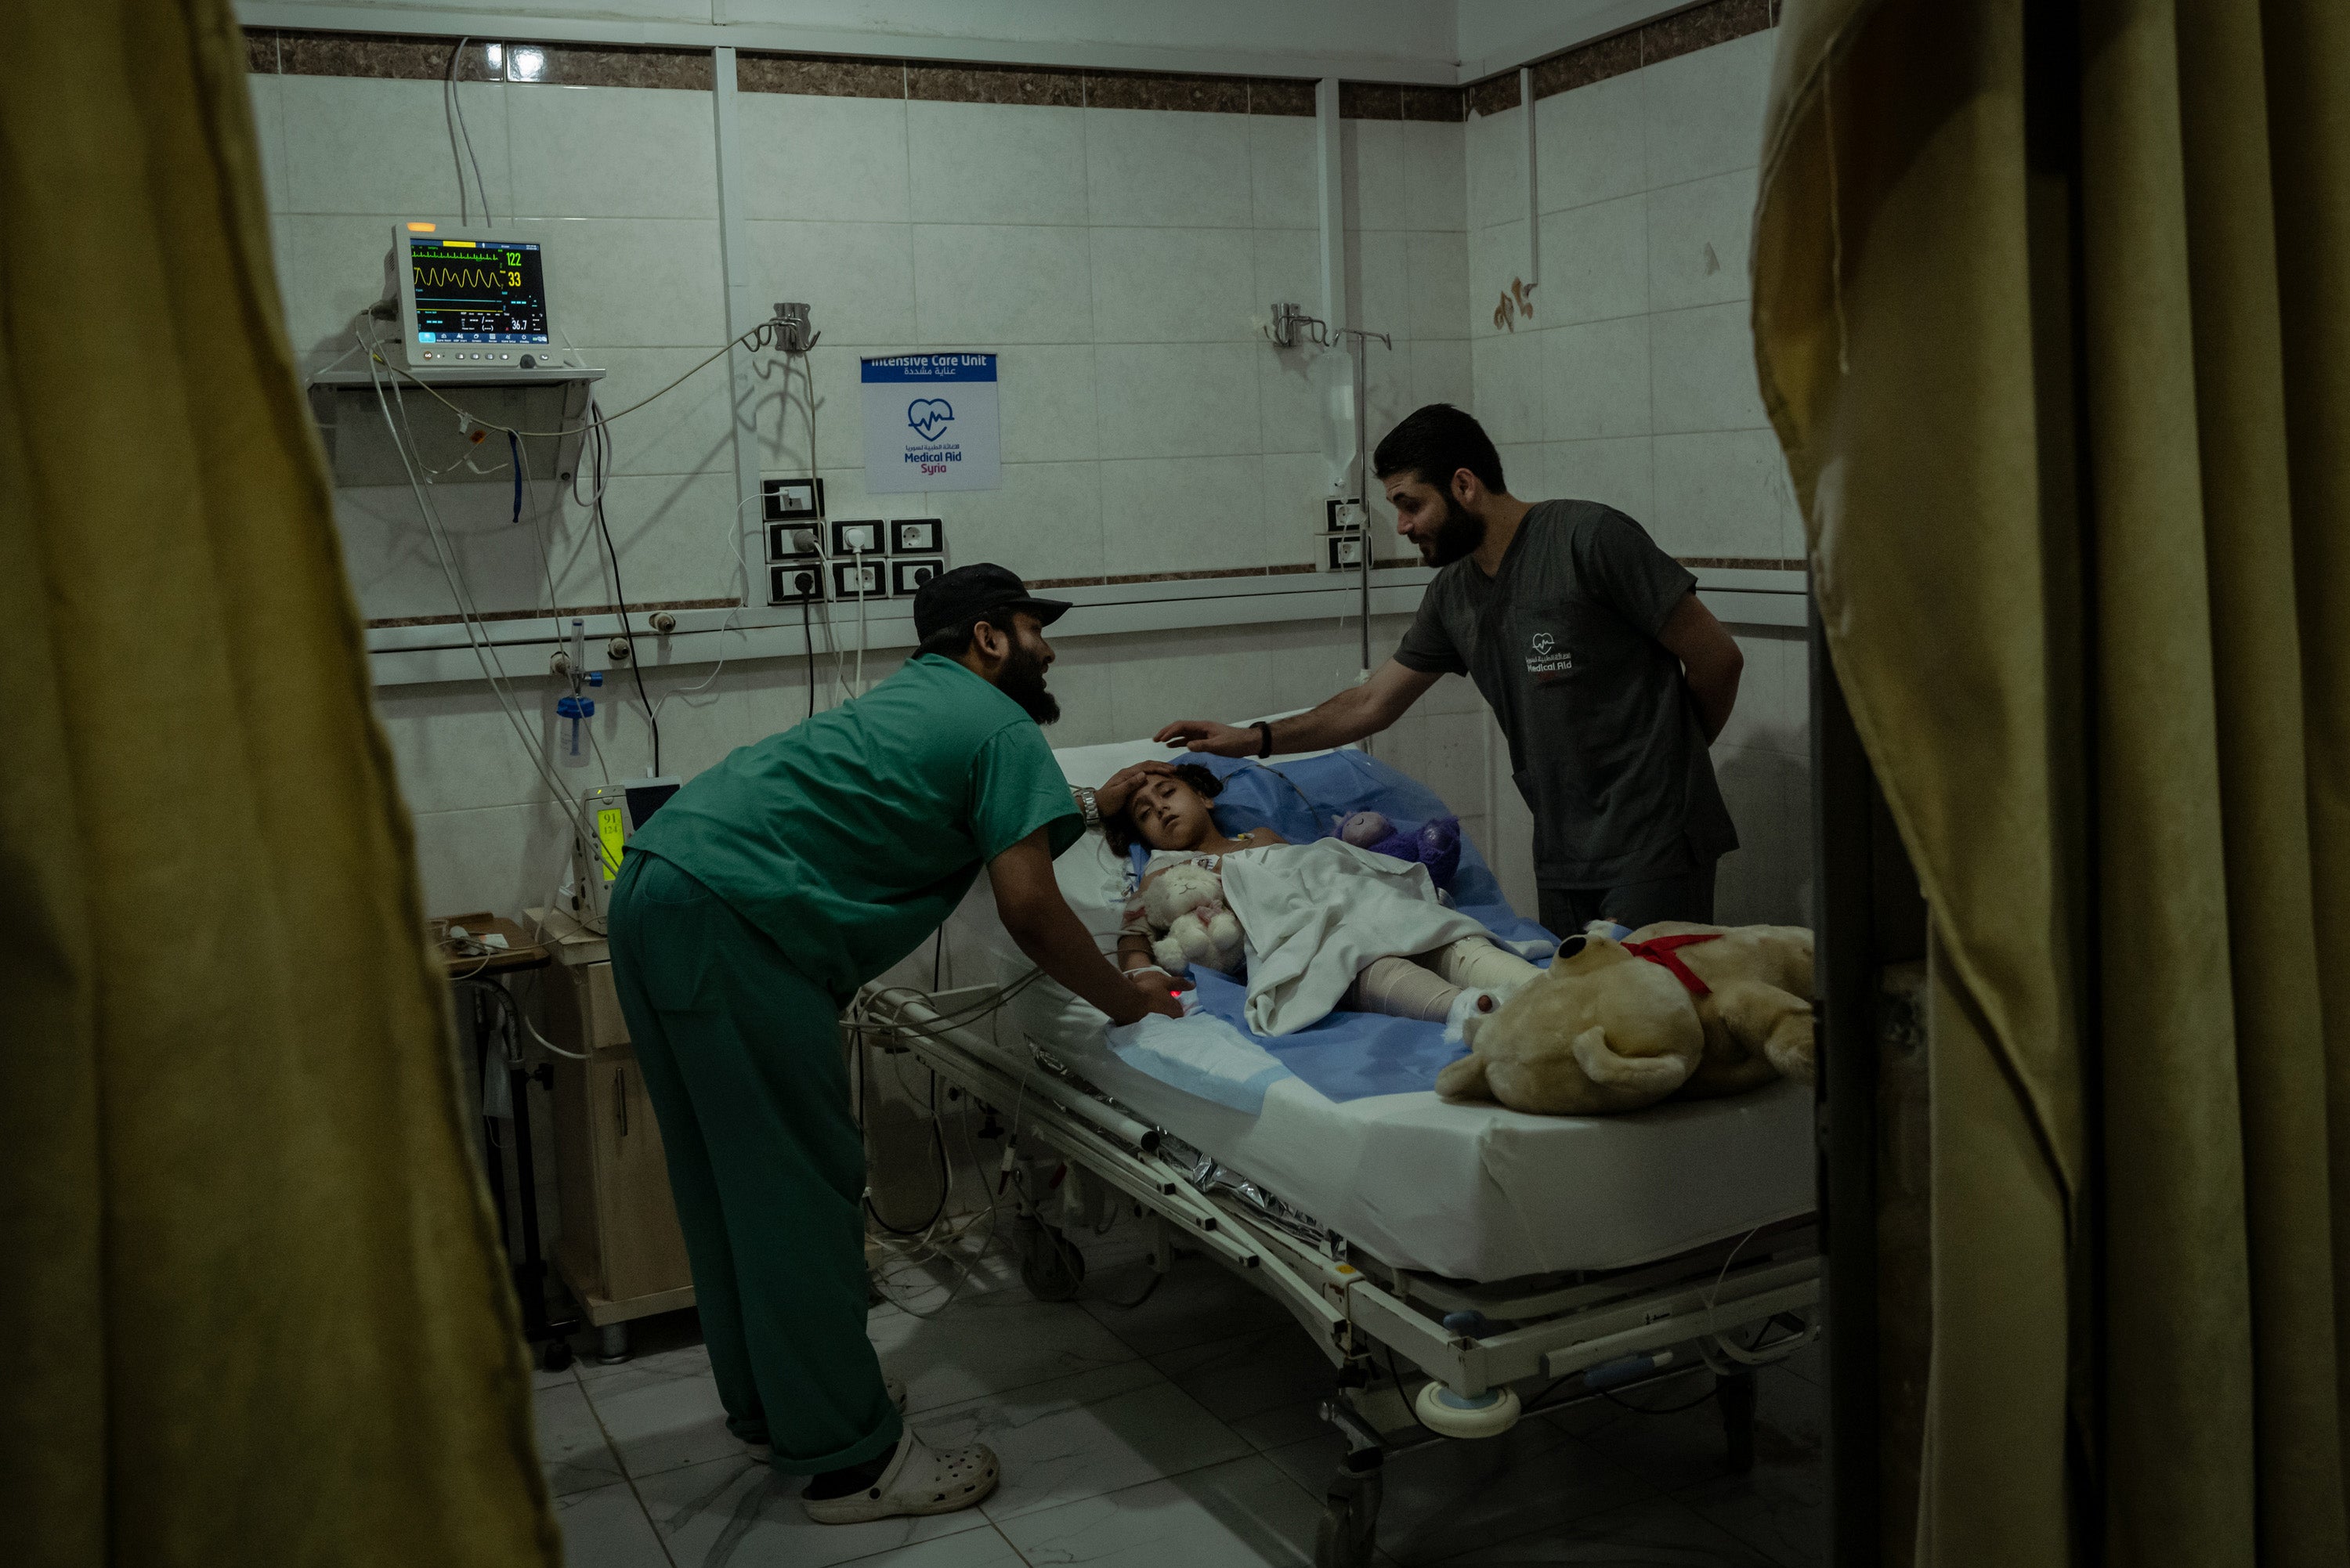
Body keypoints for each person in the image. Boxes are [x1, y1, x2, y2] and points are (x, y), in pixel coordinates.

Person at [604, 563, 1180, 1526]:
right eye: (1037, 628)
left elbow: (965, 818)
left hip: (659, 881)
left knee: (727, 1181)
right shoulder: (1002, 725)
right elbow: (1031, 907)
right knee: (800, 1188)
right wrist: (1127, 1002)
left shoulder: (922, 701)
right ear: (991, 638)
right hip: (738, 924)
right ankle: (851, 1463)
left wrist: (1092, 805)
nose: (1050, 647)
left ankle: (781, 1411)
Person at [1156, 403, 1744, 937]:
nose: (1404, 526)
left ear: (1464, 485)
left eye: (1411, 504)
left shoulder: (1587, 539)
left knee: (1653, 1023)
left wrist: (1672, 765)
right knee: (1582, 1023)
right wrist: (1254, 738)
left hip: (1655, 845)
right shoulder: (1454, 596)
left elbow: (1718, 659)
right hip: (1565, 852)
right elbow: (1370, 704)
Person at [1104, 762, 1546, 1035]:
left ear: (1204, 797)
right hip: (1299, 934)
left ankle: (1540, 988)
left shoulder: (1258, 837)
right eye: (1145, 812)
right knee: (1352, 960)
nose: (1160, 808)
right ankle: (1467, 1009)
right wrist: (1142, 978)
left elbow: (1315, 868)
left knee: (1432, 932)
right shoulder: (1164, 871)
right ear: (1142, 835)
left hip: (1344, 899)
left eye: (1167, 793)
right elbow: (1134, 937)